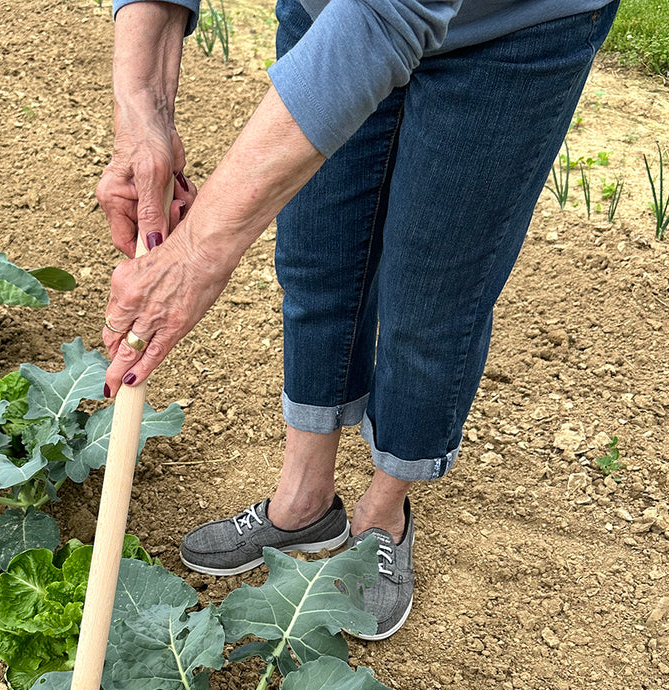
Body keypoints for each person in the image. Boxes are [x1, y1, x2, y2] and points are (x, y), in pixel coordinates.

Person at [96, 0, 620, 638]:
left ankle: (383, 516)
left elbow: (390, 10)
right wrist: (141, 110)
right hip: (332, 10)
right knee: (318, 258)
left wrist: (199, 253)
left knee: (430, 301)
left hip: (512, 28)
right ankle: (304, 502)